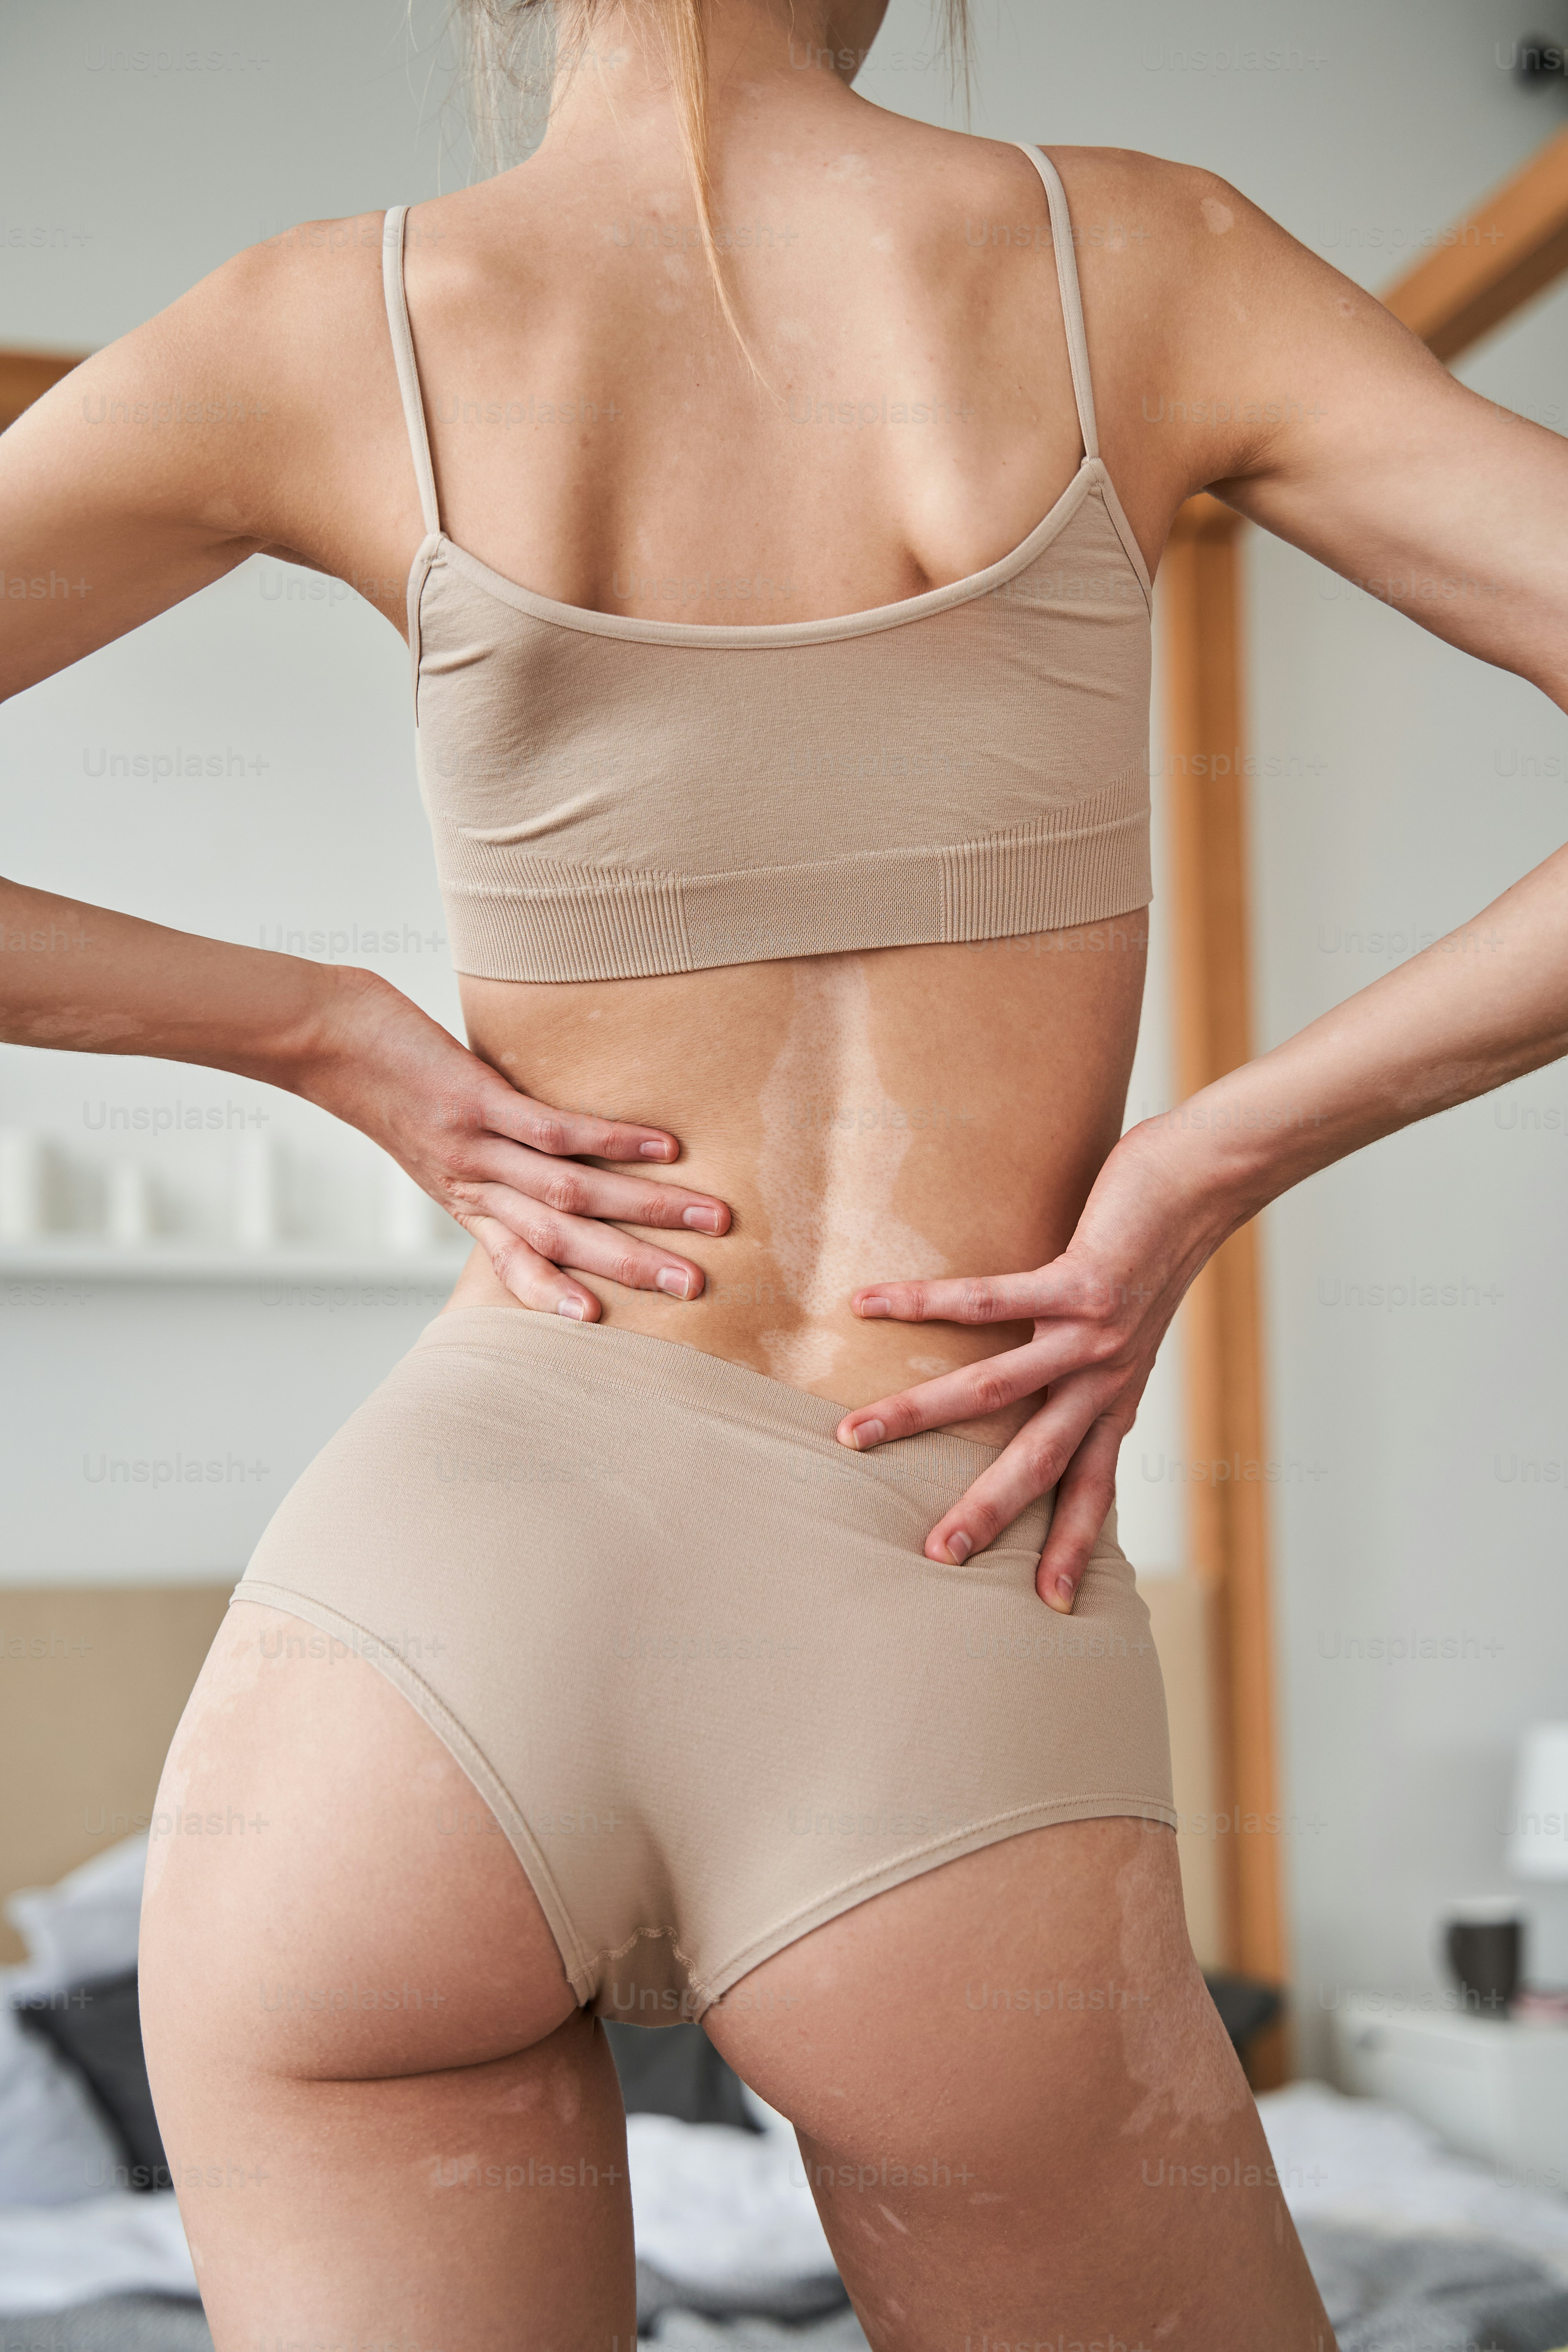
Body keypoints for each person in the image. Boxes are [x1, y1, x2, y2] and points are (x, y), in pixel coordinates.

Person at [4, 1, 1564, 2342]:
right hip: (930, 1563)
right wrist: (1213, 1154)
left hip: (422, 1625)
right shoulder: (1145, 260)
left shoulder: (317, 323)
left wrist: (313, 1024)